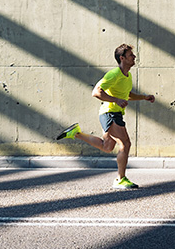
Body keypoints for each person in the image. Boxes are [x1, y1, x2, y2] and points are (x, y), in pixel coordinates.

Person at [57, 44, 155, 189]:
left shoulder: (127, 76)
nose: (134, 57)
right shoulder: (114, 74)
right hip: (110, 113)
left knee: (107, 146)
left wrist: (144, 97)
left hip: (113, 113)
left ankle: (76, 133)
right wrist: (116, 100)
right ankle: (120, 179)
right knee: (125, 144)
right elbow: (96, 92)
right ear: (122, 58)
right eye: (130, 55)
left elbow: (127, 94)